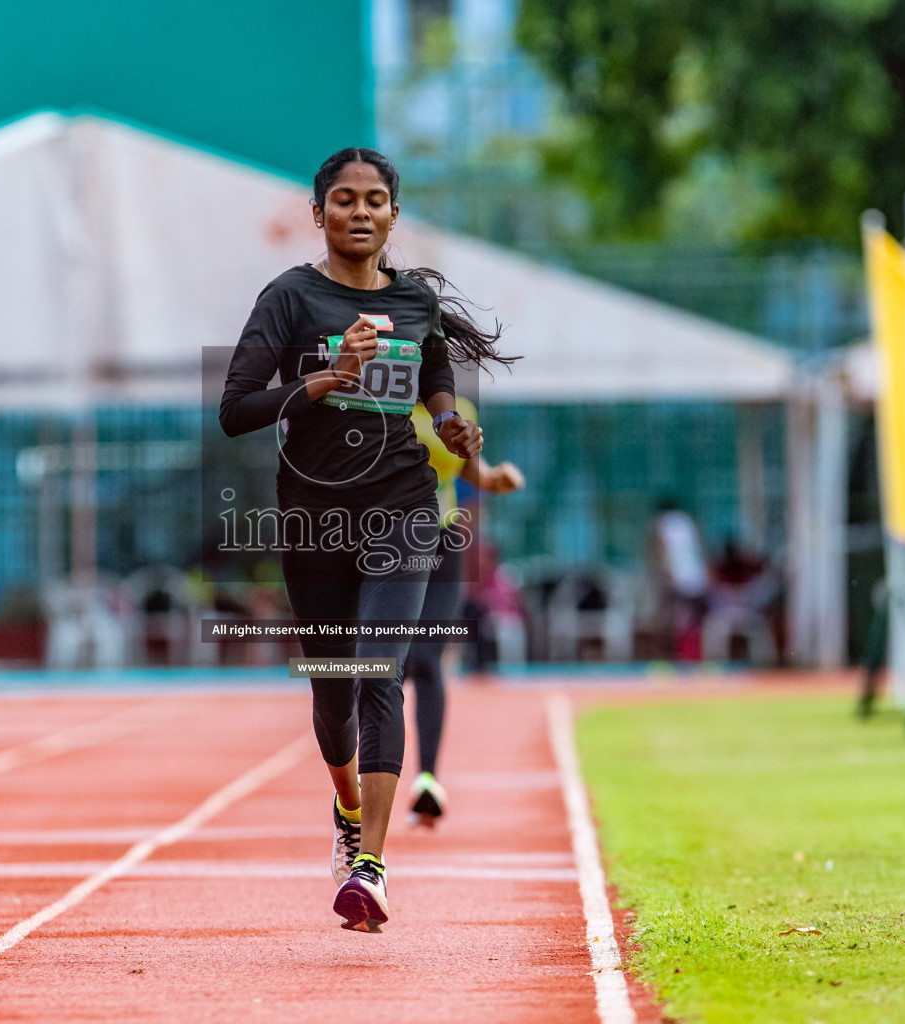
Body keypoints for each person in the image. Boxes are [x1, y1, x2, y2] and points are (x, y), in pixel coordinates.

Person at [220, 147, 515, 932]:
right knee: (334, 695)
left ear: (392, 214)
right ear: (319, 215)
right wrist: (321, 381)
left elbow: (437, 380)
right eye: (343, 200)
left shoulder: (414, 304)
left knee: (381, 668)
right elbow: (236, 407)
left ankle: (371, 866)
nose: (360, 211)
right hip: (315, 519)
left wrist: (454, 421)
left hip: (405, 508)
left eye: (375, 199)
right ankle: (348, 807)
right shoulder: (288, 299)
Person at [401, 396, 524, 826]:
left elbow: (472, 469)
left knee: (425, 658)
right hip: (385, 545)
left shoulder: (459, 410)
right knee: (383, 667)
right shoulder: (378, 398)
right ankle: (367, 781)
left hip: (443, 544)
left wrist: (495, 479)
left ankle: (428, 780)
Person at [648, 498, 709, 660]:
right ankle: (693, 655)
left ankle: (669, 657)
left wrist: (666, 573)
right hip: (695, 578)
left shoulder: (664, 523)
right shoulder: (687, 522)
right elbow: (699, 550)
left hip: (676, 578)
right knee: (693, 620)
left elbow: (662, 550)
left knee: (668, 619)